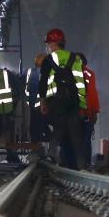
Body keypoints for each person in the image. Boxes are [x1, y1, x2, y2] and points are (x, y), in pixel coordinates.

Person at [37, 28, 87, 170]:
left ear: (52, 44)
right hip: (73, 103)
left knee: (58, 131)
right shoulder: (75, 58)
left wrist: (43, 102)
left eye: (48, 44)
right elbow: (80, 83)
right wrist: (83, 105)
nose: (48, 47)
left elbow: (43, 83)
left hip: (56, 103)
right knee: (76, 136)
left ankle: (52, 158)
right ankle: (81, 166)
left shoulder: (48, 60)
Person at [25, 53, 49, 151]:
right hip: (42, 107)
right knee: (42, 129)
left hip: (31, 107)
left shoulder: (29, 72)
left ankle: (36, 150)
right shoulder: (46, 73)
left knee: (34, 130)